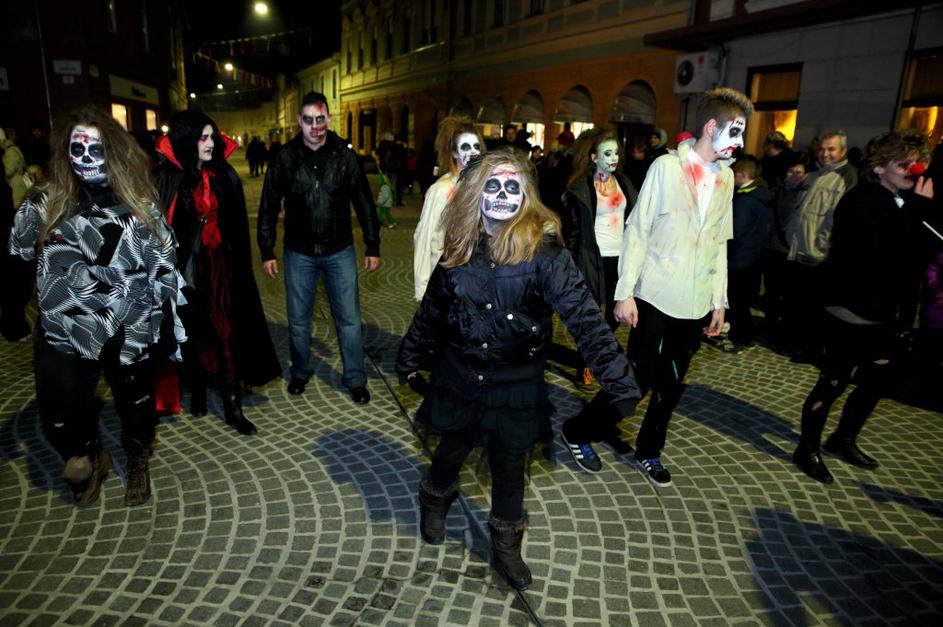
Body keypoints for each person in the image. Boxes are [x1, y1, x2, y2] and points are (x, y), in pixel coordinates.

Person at [396, 147, 640, 590]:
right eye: (493, 185)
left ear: (526, 194)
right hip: (461, 375)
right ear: (476, 194)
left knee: (510, 466)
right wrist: (409, 357)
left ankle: (506, 545)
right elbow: (432, 310)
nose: (503, 195)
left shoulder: (546, 255)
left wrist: (616, 376)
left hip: (516, 383)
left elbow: (584, 317)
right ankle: (434, 499)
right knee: (451, 449)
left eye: (513, 186)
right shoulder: (459, 250)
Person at [561, 87, 753, 486]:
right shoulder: (666, 168)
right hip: (654, 296)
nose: (739, 142)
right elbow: (638, 230)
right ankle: (578, 431)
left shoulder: (726, 177)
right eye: (735, 132)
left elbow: (719, 242)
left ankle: (649, 450)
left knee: (672, 383)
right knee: (637, 380)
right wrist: (625, 292)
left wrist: (719, 301)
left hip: (696, 300)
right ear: (711, 127)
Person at [9, 106, 185, 506]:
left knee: (136, 405)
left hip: (127, 326)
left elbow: (165, 267)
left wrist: (165, 325)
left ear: (114, 152)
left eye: (97, 148)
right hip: (64, 330)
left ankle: (137, 456)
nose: (86, 158)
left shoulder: (139, 206)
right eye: (78, 148)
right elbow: (18, 258)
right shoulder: (43, 204)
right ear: (65, 152)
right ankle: (88, 452)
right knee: (59, 413)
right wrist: (13, 309)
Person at [792, 130, 936, 483]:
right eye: (904, 164)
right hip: (852, 310)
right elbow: (884, 255)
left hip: (889, 313)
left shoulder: (905, 199)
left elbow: (925, 250)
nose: (914, 170)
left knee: (879, 379)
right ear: (880, 167)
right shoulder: (861, 200)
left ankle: (843, 438)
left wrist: (922, 209)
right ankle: (807, 448)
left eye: (918, 162)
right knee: (834, 381)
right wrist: (919, 210)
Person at [153, 110, 281, 435]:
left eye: (212, 136)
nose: (211, 143)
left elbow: (235, 226)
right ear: (187, 141)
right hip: (186, 272)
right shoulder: (167, 177)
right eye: (203, 138)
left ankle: (232, 405)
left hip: (220, 267)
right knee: (192, 331)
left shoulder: (224, 175)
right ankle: (197, 387)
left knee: (225, 331)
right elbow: (158, 227)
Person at [258, 91, 380, 403]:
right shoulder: (285, 157)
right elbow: (268, 204)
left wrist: (373, 243)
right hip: (298, 252)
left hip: (339, 250)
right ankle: (300, 372)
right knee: (298, 319)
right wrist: (267, 249)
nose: (315, 126)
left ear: (329, 118)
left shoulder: (344, 155)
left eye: (320, 119)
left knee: (349, 319)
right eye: (309, 120)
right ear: (299, 120)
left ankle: (355, 378)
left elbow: (363, 200)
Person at [563, 128, 638, 385]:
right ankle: (586, 361)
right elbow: (572, 231)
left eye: (616, 152)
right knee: (591, 314)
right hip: (591, 258)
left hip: (620, 258)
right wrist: (569, 264)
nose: (614, 158)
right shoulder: (581, 188)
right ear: (594, 157)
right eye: (607, 153)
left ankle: (596, 350)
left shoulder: (624, 183)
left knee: (616, 313)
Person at [783, 131, 857, 361]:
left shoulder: (847, 177)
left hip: (819, 254)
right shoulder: (815, 174)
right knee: (800, 302)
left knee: (815, 306)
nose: (825, 153)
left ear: (843, 151)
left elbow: (842, 220)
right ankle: (796, 341)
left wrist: (824, 245)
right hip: (799, 249)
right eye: (822, 149)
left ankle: (811, 349)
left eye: (831, 149)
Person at [413, 116, 484, 300]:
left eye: (476, 146)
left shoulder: (484, 186)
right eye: (465, 147)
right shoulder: (441, 190)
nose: (473, 152)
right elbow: (424, 239)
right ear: (453, 153)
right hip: (450, 281)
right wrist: (423, 288)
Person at [723, 154, 773, 352]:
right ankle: (744, 334)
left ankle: (741, 338)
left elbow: (735, 233)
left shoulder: (745, 201)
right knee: (742, 300)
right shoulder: (761, 195)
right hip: (752, 257)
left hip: (739, 260)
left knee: (737, 301)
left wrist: (725, 253)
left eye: (734, 173)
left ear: (743, 174)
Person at [761, 156, 808, 346]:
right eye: (791, 171)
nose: (795, 175)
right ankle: (770, 325)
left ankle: (783, 330)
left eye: (799, 172)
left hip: (789, 251)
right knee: (771, 291)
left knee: (788, 294)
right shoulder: (777, 191)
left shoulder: (806, 194)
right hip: (771, 247)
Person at [2, 128, 29, 209]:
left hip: (16, 187)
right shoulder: (8, 150)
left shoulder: (11, 151)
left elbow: (9, 171)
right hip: (15, 185)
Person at [374, 154, 397, 229]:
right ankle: (378, 221)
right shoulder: (384, 186)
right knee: (380, 213)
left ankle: (392, 222)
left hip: (385, 204)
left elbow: (384, 196)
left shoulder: (385, 187)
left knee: (387, 214)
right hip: (384, 204)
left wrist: (379, 202)